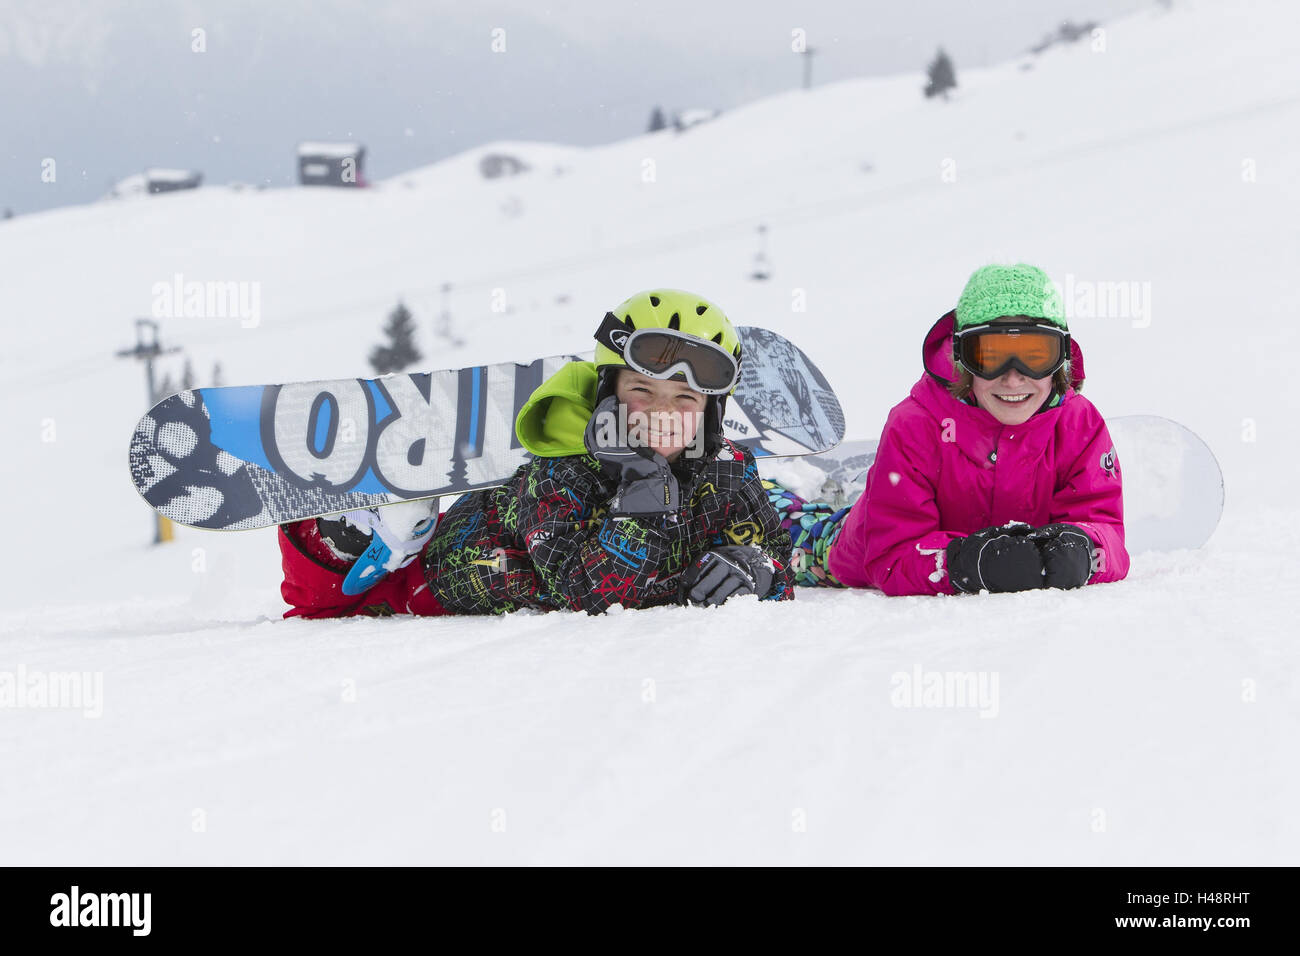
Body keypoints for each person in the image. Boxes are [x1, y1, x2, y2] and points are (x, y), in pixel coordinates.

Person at [277, 289, 796, 617]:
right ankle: (356, 529)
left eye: (685, 399)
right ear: (606, 391)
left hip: (495, 590)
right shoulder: (561, 472)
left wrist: (759, 568)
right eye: (643, 391)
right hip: (432, 581)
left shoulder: (726, 470)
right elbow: (594, 595)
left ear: (710, 411)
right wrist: (643, 489)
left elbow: (778, 554)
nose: (663, 412)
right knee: (334, 602)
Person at [768, 262, 1129, 596]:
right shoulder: (917, 424)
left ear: (1061, 358)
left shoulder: (1079, 424)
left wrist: (1084, 548)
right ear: (962, 358)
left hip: (976, 544)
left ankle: (851, 494)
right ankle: (769, 489)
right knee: (778, 532)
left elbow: (1106, 530)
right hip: (854, 549)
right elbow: (890, 557)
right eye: (990, 355)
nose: (1014, 376)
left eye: (1035, 355)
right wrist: (967, 562)